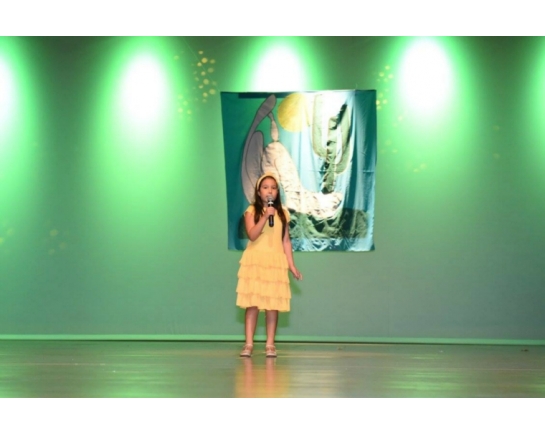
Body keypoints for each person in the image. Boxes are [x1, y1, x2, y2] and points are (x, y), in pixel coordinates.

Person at [236, 173, 302, 358]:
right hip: (255, 261)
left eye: (273, 187)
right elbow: (252, 235)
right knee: (253, 304)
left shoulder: (282, 213)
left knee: (273, 305)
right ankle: (249, 344)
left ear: (277, 192)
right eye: (265, 187)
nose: (269, 191)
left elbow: (286, 241)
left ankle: (270, 344)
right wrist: (265, 216)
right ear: (259, 192)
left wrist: (292, 265)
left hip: (275, 262)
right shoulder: (252, 211)